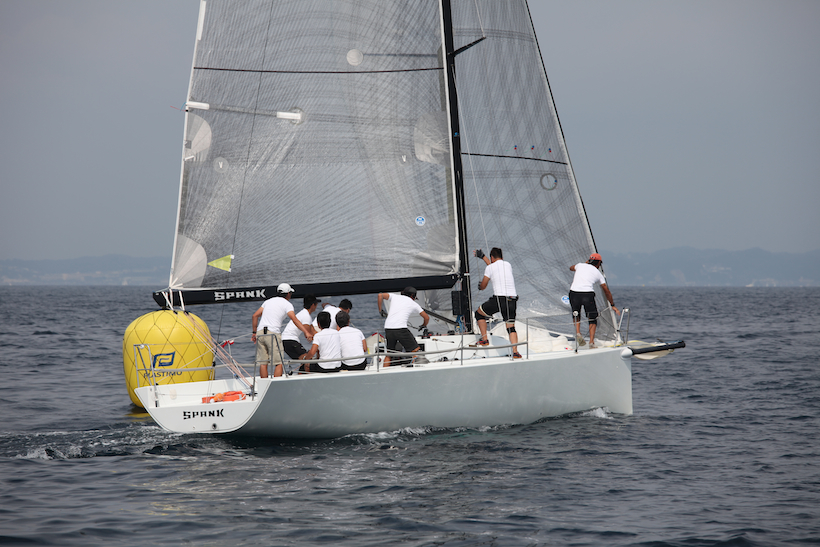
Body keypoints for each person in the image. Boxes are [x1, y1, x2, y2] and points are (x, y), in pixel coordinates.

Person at [251, 283, 312, 378]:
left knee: (263, 363)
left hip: (260, 332)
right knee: (279, 363)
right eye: (290, 293)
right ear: (288, 294)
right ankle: (275, 384)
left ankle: (263, 384)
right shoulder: (287, 304)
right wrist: (306, 332)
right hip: (272, 333)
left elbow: (255, 316)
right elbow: (294, 319)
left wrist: (254, 333)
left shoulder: (268, 301)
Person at [473, 247, 521, 358]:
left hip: (499, 299)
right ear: (502, 257)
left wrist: (480, 286)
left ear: (492, 257)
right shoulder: (508, 265)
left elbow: (484, 285)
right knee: (511, 327)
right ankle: (515, 352)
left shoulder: (490, 268)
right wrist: (484, 257)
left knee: (479, 314)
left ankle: (484, 340)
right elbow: (494, 268)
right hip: (512, 299)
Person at [569, 253, 620, 348]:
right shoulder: (598, 273)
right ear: (599, 263)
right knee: (592, 318)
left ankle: (578, 332)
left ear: (589, 261)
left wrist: (584, 264)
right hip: (587, 294)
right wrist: (612, 304)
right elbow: (606, 290)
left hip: (573, 293)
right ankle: (591, 342)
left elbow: (571, 268)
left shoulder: (580, 265)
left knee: (576, 314)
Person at [377, 287, 429, 367]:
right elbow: (426, 317)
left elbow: (380, 295)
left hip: (388, 328)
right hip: (401, 329)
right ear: (412, 296)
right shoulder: (413, 303)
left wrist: (381, 311)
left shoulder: (395, 297)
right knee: (416, 351)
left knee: (389, 354)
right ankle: (416, 370)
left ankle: (383, 371)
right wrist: (423, 325)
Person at [281, 294, 320, 371]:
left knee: (305, 359)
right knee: (307, 359)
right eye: (316, 304)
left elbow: (312, 330)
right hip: (290, 340)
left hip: (287, 340)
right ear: (313, 305)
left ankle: (301, 373)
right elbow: (308, 334)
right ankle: (306, 375)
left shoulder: (304, 314)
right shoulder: (306, 316)